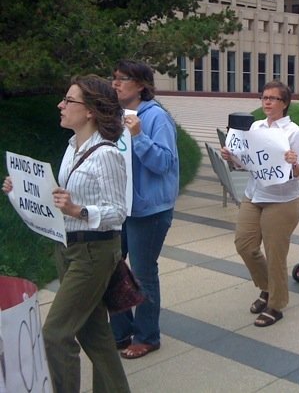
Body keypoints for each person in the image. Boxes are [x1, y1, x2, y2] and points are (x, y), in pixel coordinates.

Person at [3, 76, 131, 392]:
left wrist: (79, 211)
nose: (60, 105)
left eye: (68, 100)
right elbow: (59, 199)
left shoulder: (107, 155)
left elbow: (118, 213)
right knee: (95, 334)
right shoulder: (72, 147)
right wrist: (19, 191)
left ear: (89, 111)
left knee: (55, 335)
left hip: (94, 253)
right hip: (69, 248)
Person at [221, 81, 299, 327]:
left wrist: (294, 164)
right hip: (255, 193)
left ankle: (276, 304)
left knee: (275, 254)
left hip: (283, 200)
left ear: (285, 103)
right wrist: (232, 157)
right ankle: (268, 287)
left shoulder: (296, 133)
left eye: (273, 98)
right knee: (245, 245)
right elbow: (248, 161)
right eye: (264, 97)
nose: (267, 102)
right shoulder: (255, 127)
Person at [109, 60, 179, 359]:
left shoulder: (156, 118)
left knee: (143, 272)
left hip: (149, 210)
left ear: (141, 85)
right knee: (112, 266)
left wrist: (138, 136)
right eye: (113, 78)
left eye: (122, 79)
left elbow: (163, 163)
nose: (115, 84)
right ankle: (121, 332)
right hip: (121, 206)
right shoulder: (115, 115)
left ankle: (147, 336)